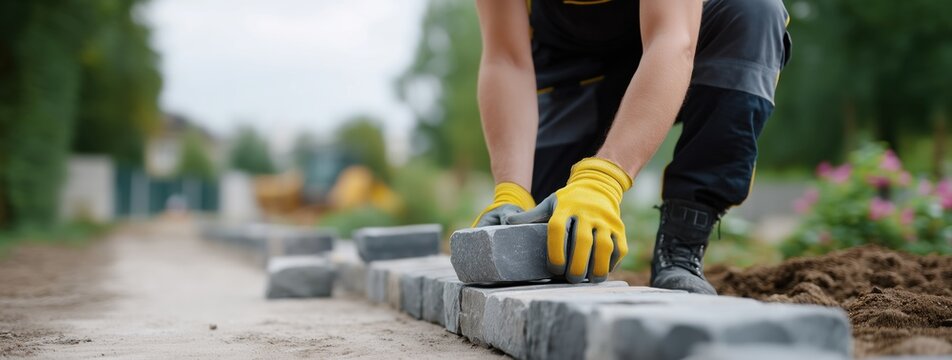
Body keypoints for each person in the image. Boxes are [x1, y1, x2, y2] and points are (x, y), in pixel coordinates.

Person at [471, 0, 791, 294]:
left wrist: (603, 179)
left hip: (673, 54)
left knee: (753, 11)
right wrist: (511, 190)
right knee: (545, 240)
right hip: (574, 82)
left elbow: (672, 39)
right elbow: (506, 59)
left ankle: (681, 245)